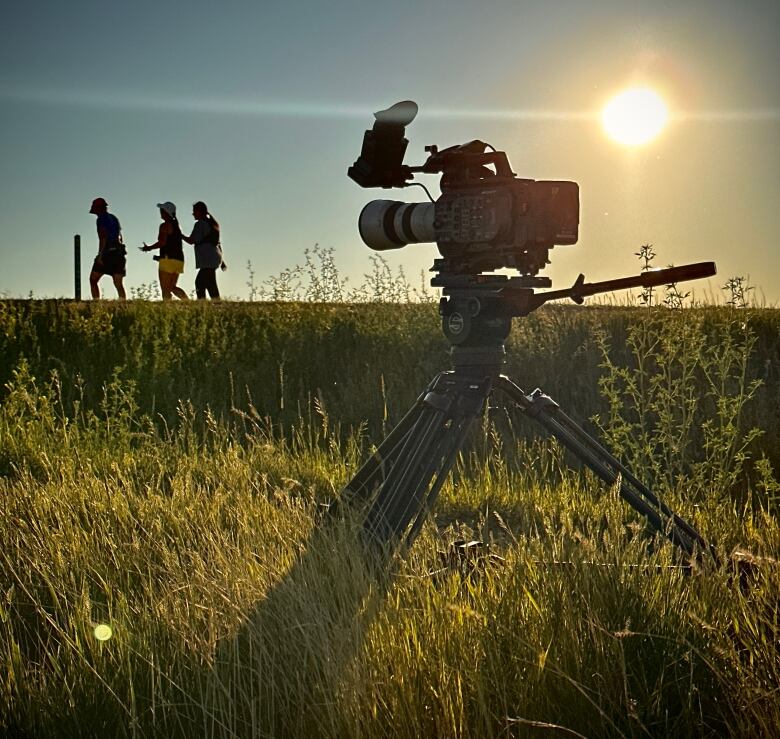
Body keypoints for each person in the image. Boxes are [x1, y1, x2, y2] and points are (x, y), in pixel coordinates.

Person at [140, 201, 189, 300]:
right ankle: (188, 302)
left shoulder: (164, 226)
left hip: (167, 259)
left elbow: (162, 242)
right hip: (179, 260)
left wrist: (148, 248)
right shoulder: (177, 226)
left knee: (165, 289)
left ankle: (167, 308)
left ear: (165, 212)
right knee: (172, 287)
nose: (160, 212)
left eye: (161, 210)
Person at [182, 201, 224, 299]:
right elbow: (217, 243)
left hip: (208, 259)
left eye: (194, 211)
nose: (193, 214)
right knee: (210, 284)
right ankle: (216, 306)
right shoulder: (211, 224)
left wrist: (179, 234)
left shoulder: (200, 224)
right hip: (215, 257)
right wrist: (222, 261)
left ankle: (202, 306)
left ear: (200, 211)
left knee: (200, 283)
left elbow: (191, 240)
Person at [88, 197, 127, 299]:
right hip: (119, 252)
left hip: (108, 253)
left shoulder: (100, 219)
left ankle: (97, 305)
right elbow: (120, 236)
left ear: (98, 208)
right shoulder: (114, 218)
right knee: (118, 284)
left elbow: (103, 238)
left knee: (93, 279)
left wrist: (100, 256)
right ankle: (124, 306)